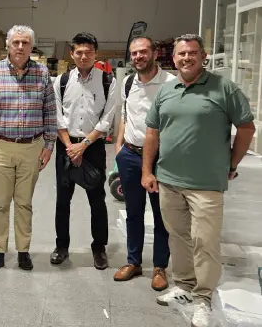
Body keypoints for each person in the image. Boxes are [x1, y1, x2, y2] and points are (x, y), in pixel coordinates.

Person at [142, 34, 255, 327]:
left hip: (206, 183)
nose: (186, 58)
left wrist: (232, 163)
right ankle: (184, 285)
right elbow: (152, 132)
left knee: (205, 241)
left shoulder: (224, 88)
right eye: (181, 54)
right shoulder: (167, 90)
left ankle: (203, 298)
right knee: (178, 237)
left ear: (203, 56)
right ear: (173, 58)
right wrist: (147, 171)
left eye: (192, 53)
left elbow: (246, 127)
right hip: (169, 180)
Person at [0, 25, 57, 271]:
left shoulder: (42, 73)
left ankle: (23, 251)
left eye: (25, 43)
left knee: (24, 203)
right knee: (0, 203)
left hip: (32, 147)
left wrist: (49, 145)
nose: (20, 47)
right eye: (16, 42)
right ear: (8, 46)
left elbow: (50, 112)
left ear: (31, 46)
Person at [51, 32, 117, 270]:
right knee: (62, 200)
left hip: (93, 147)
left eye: (89, 52)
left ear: (95, 54)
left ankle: (99, 248)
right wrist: (70, 146)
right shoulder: (61, 81)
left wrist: (84, 145)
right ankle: (61, 246)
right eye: (79, 52)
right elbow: (57, 116)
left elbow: (107, 118)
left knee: (97, 200)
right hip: (66, 146)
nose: (84, 56)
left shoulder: (108, 81)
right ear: (72, 54)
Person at [113, 37, 174, 290]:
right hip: (129, 155)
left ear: (155, 53)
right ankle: (133, 261)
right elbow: (125, 116)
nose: (138, 57)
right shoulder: (128, 82)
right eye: (134, 53)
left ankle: (160, 266)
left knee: (161, 214)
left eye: (143, 52)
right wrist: (119, 148)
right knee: (133, 212)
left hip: (160, 158)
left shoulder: (171, 83)